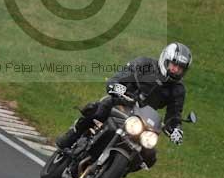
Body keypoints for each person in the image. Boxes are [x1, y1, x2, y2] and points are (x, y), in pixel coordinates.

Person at [56, 42, 192, 170]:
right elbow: (118, 78)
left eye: (180, 68)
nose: (175, 70)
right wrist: (117, 88)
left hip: (144, 119)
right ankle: (72, 136)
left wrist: (176, 130)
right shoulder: (144, 64)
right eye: (174, 65)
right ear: (165, 60)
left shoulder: (178, 89)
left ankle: (120, 170)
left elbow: (174, 115)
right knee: (98, 109)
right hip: (122, 102)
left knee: (150, 157)